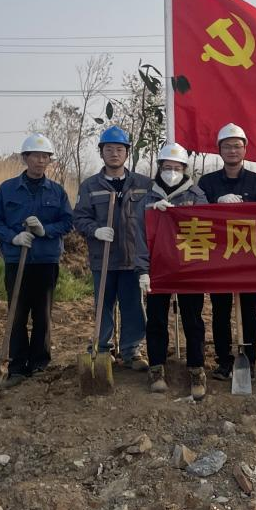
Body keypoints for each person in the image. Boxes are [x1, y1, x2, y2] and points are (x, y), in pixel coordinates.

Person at [0, 134, 73, 383]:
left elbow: (68, 222)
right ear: (25, 158)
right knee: (17, 314)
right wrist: (13, 237)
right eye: (36, 156)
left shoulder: (57, 191)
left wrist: (45, 230)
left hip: (46, 261)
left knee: (43, 315)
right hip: (16, 261)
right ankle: (17, 365)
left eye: (45, 157)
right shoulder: (7, 189)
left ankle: (39, 364)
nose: (40, 161)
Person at [72, 125, 153, 372]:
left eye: (119, 149)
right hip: (103, 258)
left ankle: (131, 351)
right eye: (109, 149)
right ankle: (103, 349)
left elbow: (154, 217)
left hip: (132, 258)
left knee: (133, 306)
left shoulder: (143, 184)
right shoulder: (90, 186)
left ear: (127, 153)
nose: (114, 154)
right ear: (101, 152)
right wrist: (95, 230)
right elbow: (79, 218)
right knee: (103, 305)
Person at [135, 142, 209, 398]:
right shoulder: (148, 199)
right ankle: (156, 368)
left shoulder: (197, 196)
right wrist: (143, 270)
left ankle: (197, 369)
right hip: (158, 269)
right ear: (159, 168)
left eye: (177, 168)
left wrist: (179, 215)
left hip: (188, 269)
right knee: (156, 320)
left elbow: (206, 231)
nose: (172, 172)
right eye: (167, 167)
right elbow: (140, 237)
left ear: (185, 169)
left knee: (193, 320)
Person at [198, 123, 256, 381]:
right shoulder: (207, 183)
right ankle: (224, 360)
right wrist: (214, 205)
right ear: (219, 150)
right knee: (220, 310)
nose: (232, 151)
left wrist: (245, 206)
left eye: (237, 146)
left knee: (249, 310)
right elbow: (197, 214)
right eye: (227, 146)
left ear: (245, 149)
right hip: (218, 257)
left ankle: (249, 358)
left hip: (249, 257)